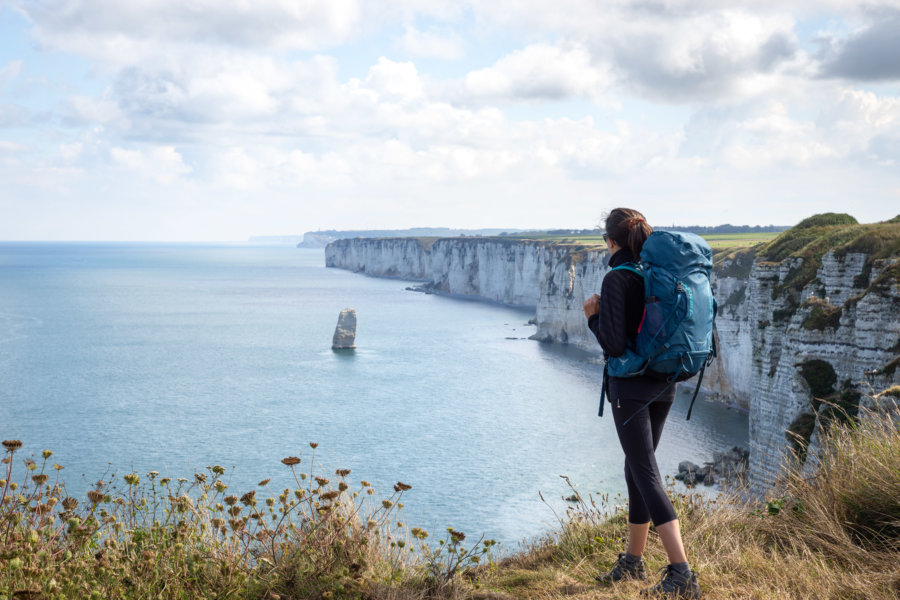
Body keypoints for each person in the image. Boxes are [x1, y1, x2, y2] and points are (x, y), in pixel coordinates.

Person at [582, 208, 702, 599]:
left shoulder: (618, 278)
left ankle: (681, 573)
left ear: (612, 241)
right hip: (664, 383)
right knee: (636, 467)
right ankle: (633, 562)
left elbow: (614, 344)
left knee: (646, 473)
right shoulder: (653, 275)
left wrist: (592, 317)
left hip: (630, 387)